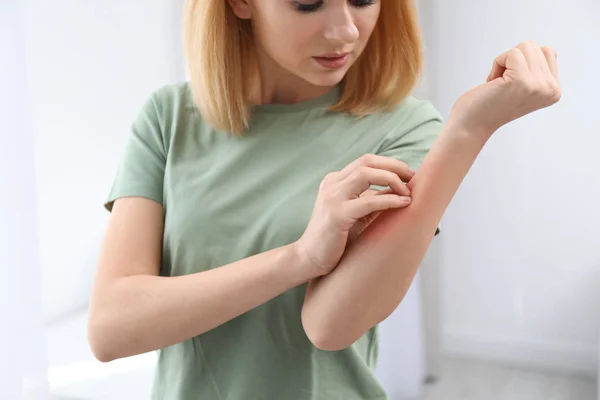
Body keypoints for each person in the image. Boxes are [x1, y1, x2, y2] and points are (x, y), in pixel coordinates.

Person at [87, 0, 561, 399]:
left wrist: (469, 129)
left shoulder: (407, 131)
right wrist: (300, 258)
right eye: (307, 1)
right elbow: (111, 328)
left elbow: (329, 325)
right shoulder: (168, 119)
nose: (345, 29)